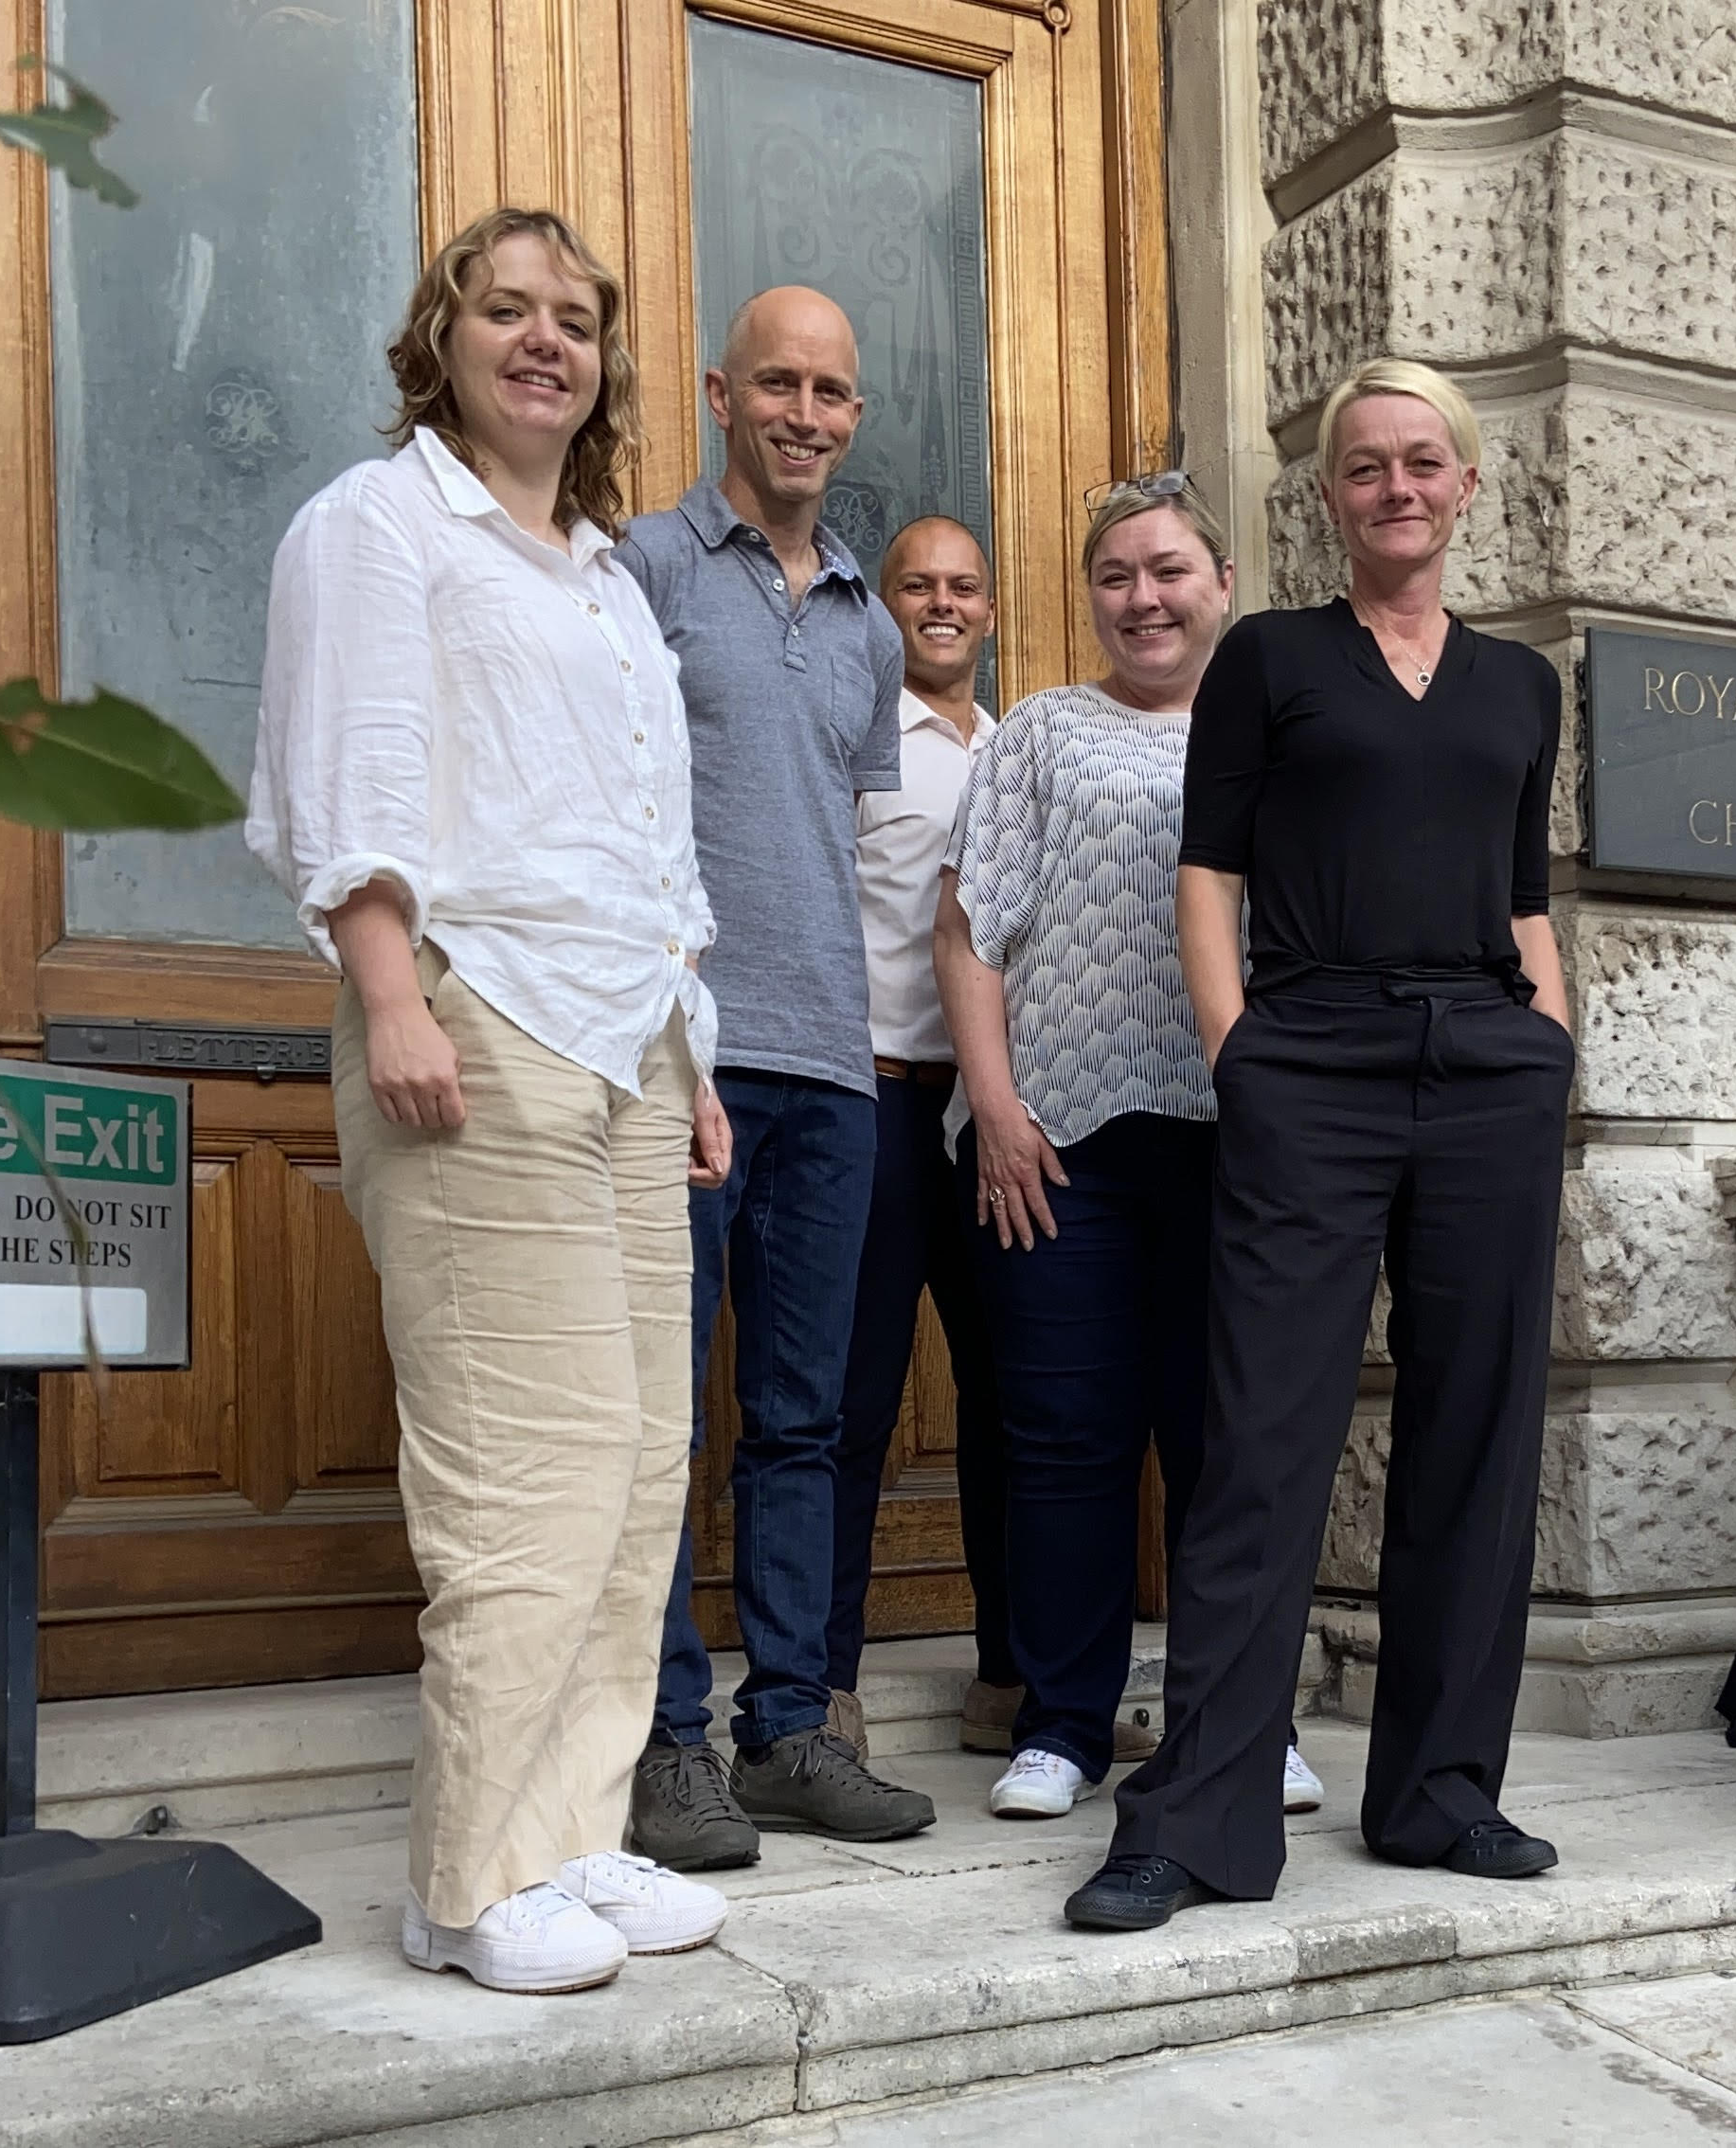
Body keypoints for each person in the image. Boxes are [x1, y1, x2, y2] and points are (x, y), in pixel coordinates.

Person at [247, 206, 734, 1994]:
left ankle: (575, 1837)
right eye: (506, 310)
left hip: (621, 1044)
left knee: (633, 1470)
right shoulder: (379, 526)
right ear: (439, 336)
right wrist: (389, 993)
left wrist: (690, 1052)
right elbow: (351, 769)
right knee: (520, 1475)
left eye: (577, 318)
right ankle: (466, 1880)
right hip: (475, 1018)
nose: (546, 341)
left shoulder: (601, 577)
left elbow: (642, 839)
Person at [1065, 361, 1572, 1933]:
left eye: (1424, 463)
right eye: (1366, 469)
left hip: (1490, 1066)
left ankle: (1439, 1793)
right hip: (1315, 1061)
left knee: (1476, 1436)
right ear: (1330, 498)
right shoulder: (1272, 661)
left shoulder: (1519, 685)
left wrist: (1551, 1046)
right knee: (1266, 1435)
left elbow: (1524, 896)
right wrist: (1245, 1054)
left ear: (1467, 486)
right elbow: (1206, 873)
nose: (1397, 488)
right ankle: (1197, 1816)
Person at [939, 474, 1324, 1823]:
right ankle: (1062, 1721)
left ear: (1224, 582)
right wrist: (994, 1103)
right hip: (1060, 1147)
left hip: (1242, 1146)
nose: (1143, 599)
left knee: (1232, 1445)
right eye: (1115, 576)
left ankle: (1240, 1719)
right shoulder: (1041, 734)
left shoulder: (1283, 736)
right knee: (1064, 1437)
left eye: (1168, 570)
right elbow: (970, 929)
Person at [617, 285, 937, 1861]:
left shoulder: (875, 629)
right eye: (778, 384)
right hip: (681, 1058)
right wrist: (662, 1035)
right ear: (718, 394)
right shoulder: (646, 569)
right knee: (659, 1415)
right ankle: (662, 1742)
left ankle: (791, 1729)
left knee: (806, 1421)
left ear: (853, 414)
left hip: (832, 1067)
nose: (806, 412)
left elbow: (854, 854)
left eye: (833, 388)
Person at [825, 515, 1015, 1760]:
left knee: (1015, 1400)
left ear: (990, 610)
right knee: (847, 1400)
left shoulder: (1016, 748)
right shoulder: (850, 737)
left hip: (992, 1113)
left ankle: (1014, 1679)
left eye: (963, 589)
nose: (940, 606)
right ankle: (818, 1685)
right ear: (884, 606)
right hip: (875, 1097)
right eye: (917, 587)